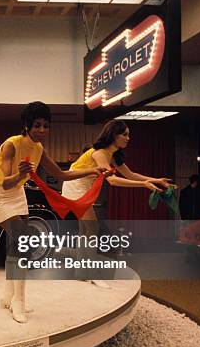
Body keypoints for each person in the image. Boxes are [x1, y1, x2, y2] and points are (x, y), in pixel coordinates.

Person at [0, 101, 107, 324]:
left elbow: (60, 175)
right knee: (22, 242)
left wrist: (92, 169)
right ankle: (18, 302)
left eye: (45, 126)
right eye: (37, 126)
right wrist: (20, 173)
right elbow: (4, 183)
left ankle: (8, 296)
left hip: (18, 195)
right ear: (27, 125)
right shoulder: (10, 145)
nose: (42, 130)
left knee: (17, 244)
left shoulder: (39, 149)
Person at [62, 119, 170, 288]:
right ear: (114, 135)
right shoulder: (99, 153)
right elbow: (111, 180)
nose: (128, 138)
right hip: (75, 186)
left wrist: (156, 180)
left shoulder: (112, 154)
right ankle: (90, 273)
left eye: (129, 135)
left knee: (87, 230)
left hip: (82, 187)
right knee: (92, 228)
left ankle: (82, 272)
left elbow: (130, 174)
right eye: (125, 134)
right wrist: (143, 185)